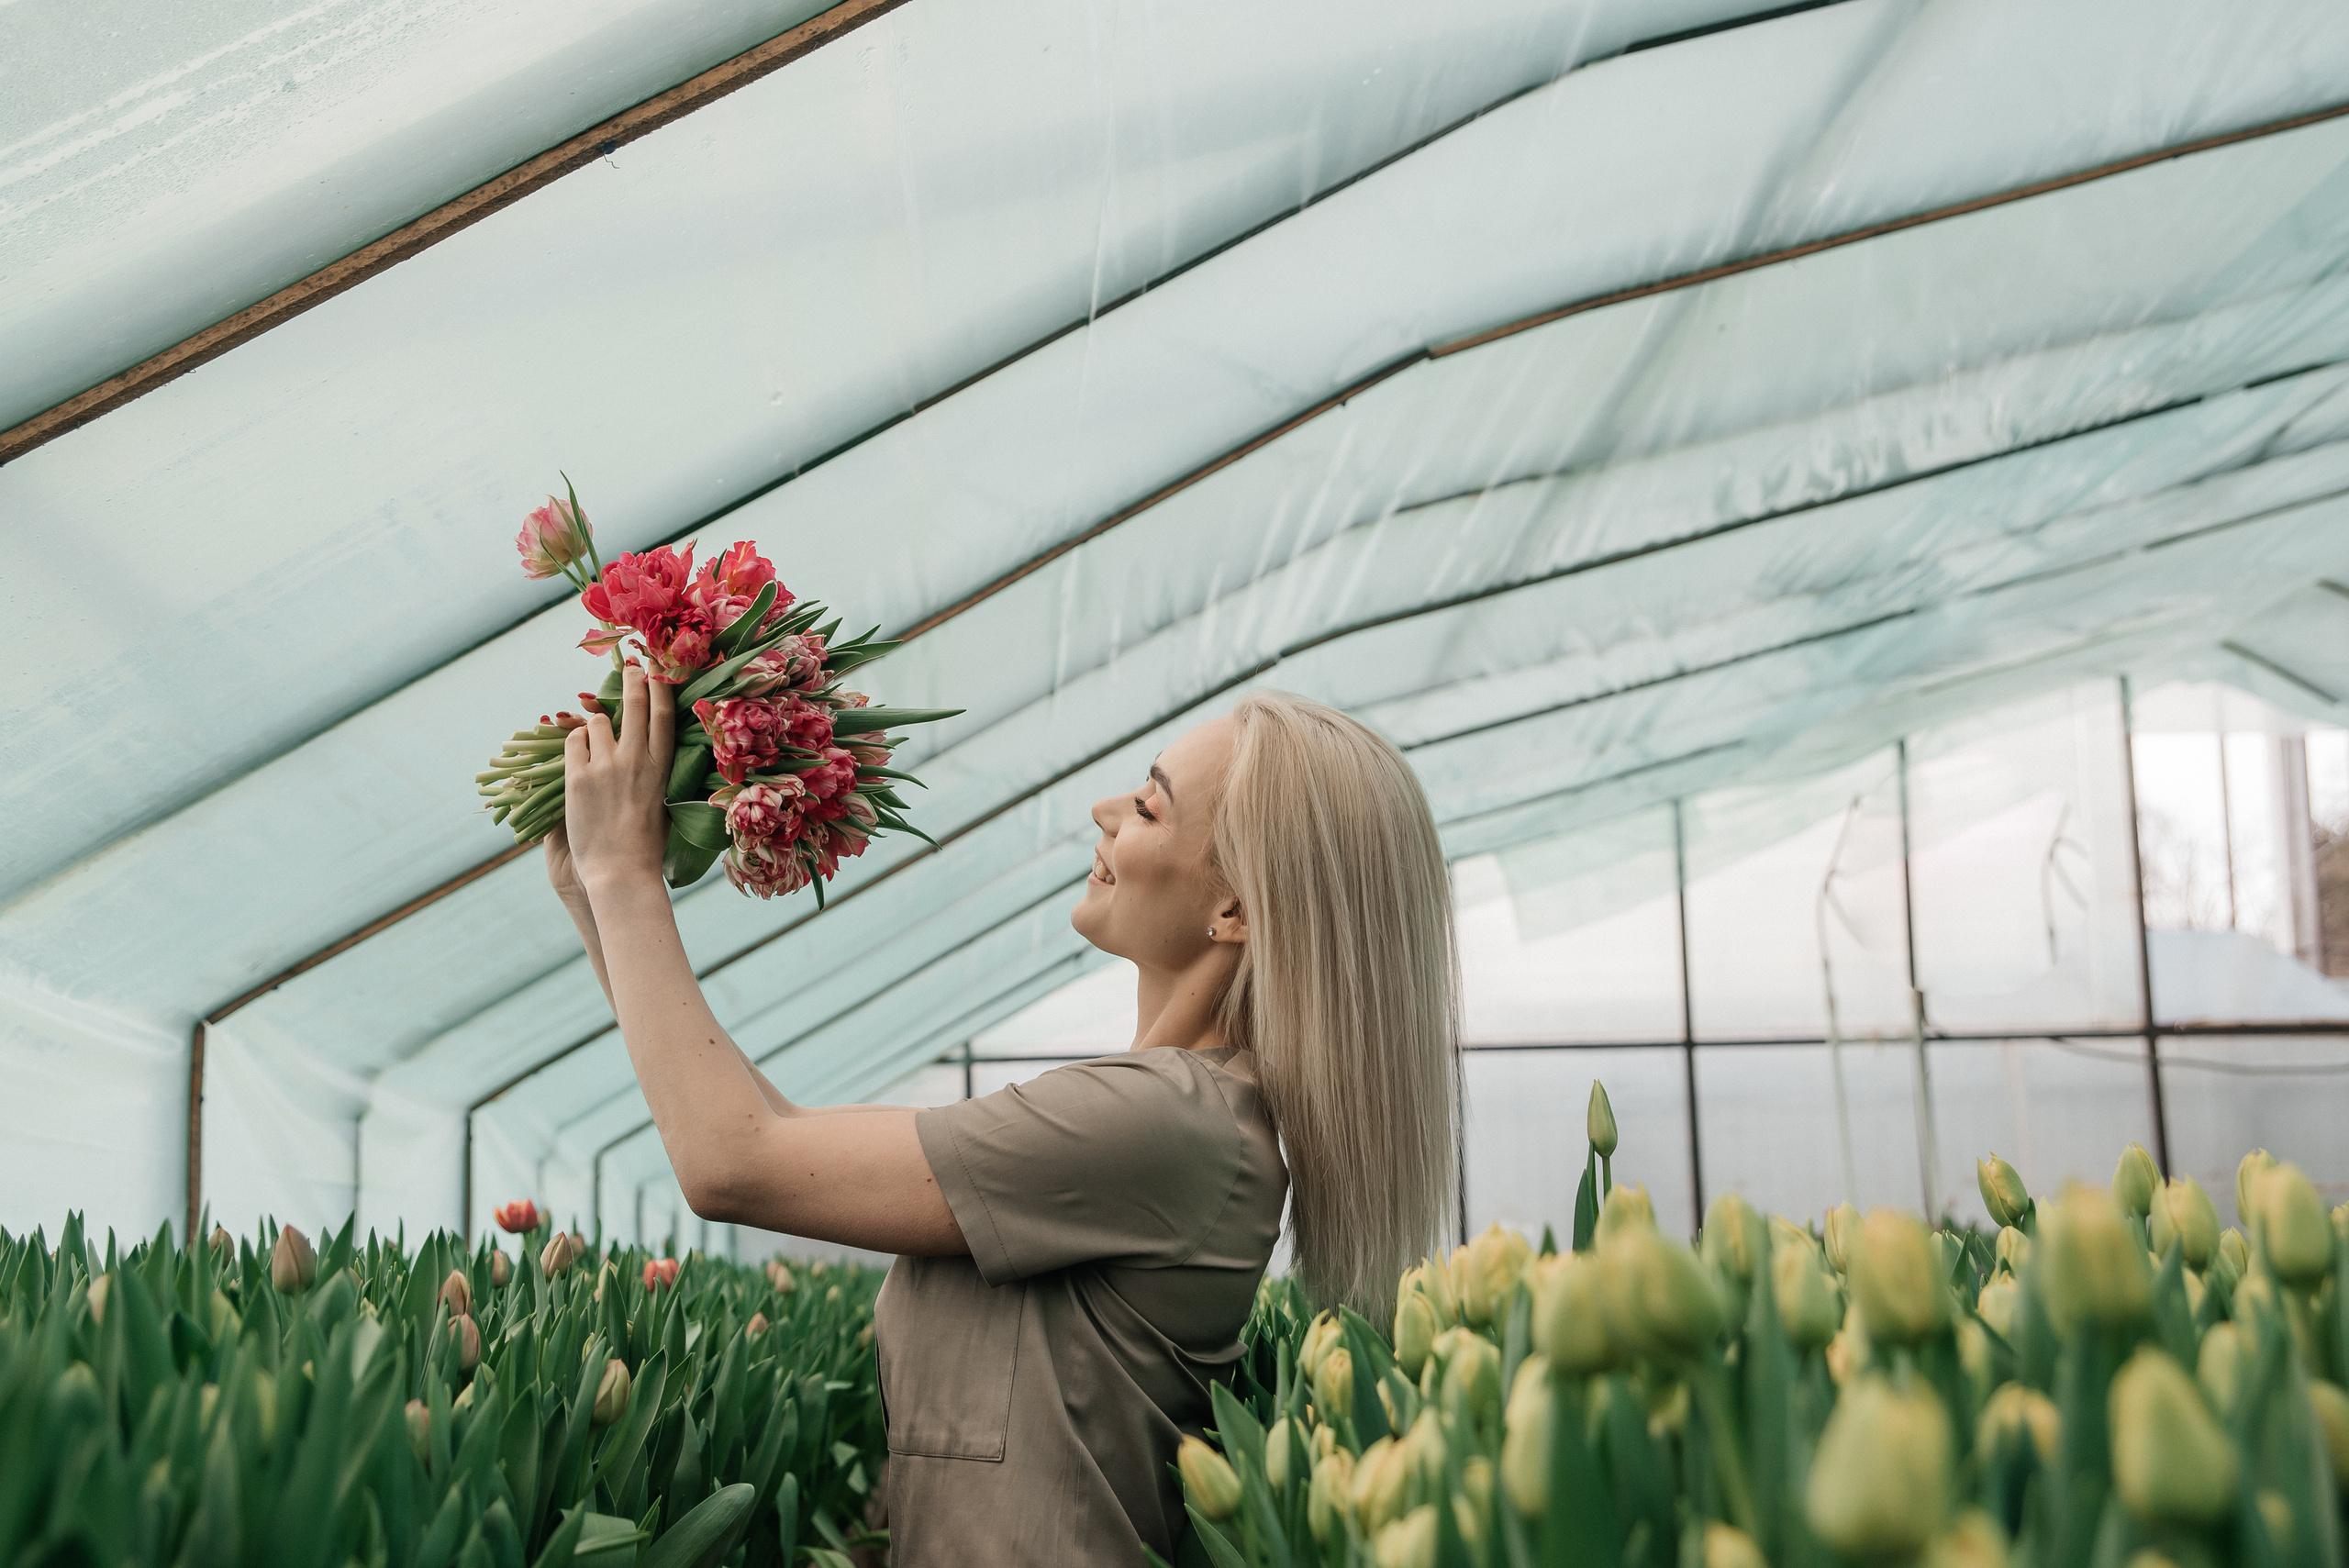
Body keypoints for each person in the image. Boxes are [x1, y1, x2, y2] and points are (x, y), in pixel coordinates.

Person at [551, 665, 1460, 1564]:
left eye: (1149, 807)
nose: (1106, 809)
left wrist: (624, 871)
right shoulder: (1181, 1111)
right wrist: (593, 896)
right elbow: (772, 1126)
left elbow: (734, 1160)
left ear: (1232, 907)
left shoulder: (1165, 1120)